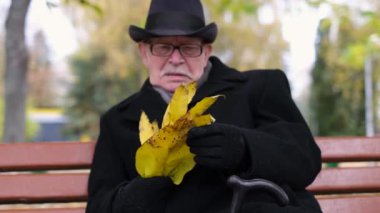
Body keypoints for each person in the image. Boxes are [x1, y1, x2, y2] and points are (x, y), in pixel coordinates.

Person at [85, 0, 322, 212]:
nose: (176, 59)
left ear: (206, 51)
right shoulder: (118, 120)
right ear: (144, 52)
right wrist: (136, 196)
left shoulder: (258, 87)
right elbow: (99, 205)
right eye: (163, 47)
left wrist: (245, 147)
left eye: (188, 47)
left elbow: (305, 162)